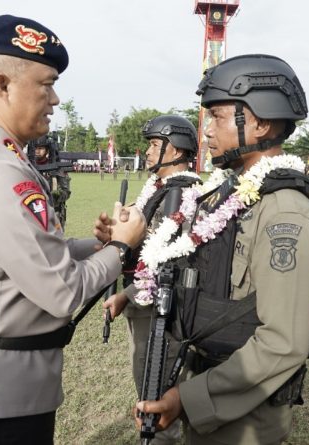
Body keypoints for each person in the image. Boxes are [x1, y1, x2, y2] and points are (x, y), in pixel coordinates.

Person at [0, 15, 145, 445]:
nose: (56, 99)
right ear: (4, 85)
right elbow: (63, 290)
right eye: (46, 84)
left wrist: (97, 246)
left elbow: (29, 252)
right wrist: (121, 249)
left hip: (1, 383)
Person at [135, 54, 309, 444]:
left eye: (217, 117)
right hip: (209, 386)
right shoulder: (229, 193)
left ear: (260, 123)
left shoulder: (284, 213)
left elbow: (282, 344)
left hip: (243, 419)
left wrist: (189, 398)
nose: (207, 132)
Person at [102, 114, 201, 444]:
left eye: (155, 145)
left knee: (154, 394)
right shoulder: (160, 189)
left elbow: (172, 262)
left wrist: (125, 295)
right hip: (144, 304)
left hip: (160, 312)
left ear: (176, 150)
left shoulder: (184, 195)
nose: (146, 151)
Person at [29, 134, 71, 231]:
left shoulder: (57, 168)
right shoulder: (26, 166)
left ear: (47, 150)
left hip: (53, 213)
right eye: (35, 148)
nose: (37, 151)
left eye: (40, 148)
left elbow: (66, 192)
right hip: (32, 212)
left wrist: (55, 196)